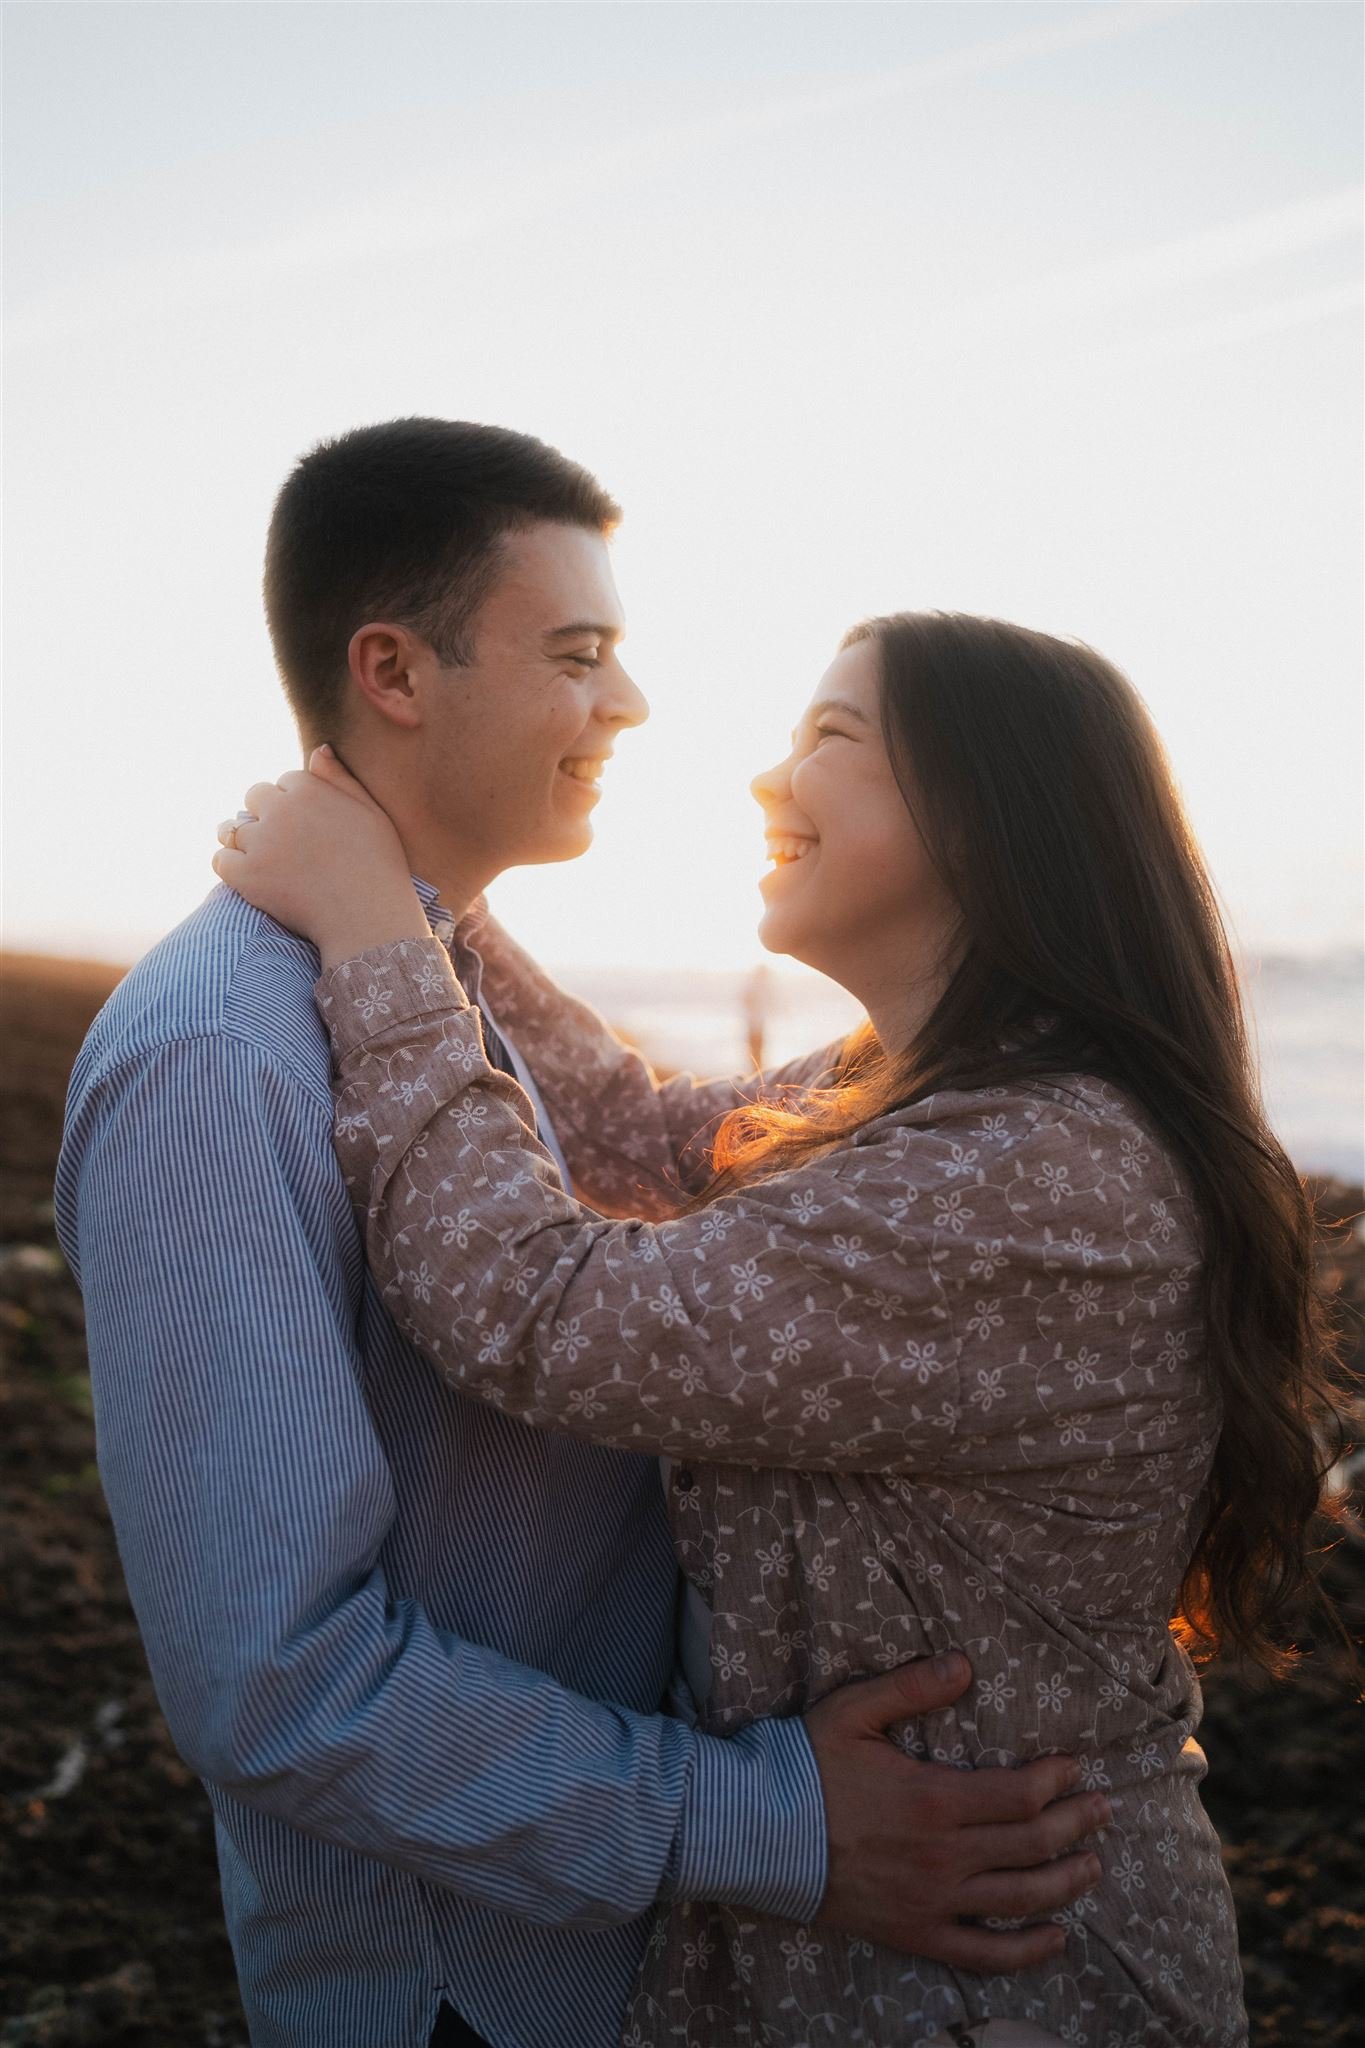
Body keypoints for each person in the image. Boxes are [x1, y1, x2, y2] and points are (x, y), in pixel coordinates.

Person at [56, 422, 1105, 2048]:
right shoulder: (217, 1060)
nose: (625, 703)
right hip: (470, 1988)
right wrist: (772, 1822)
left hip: (644, 1954)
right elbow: (275, 1688)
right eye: (577, 654)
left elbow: (685, 1142)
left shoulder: (439, 984)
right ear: (395, 672)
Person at [218, 609, 1339, 2046]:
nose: (765, 779)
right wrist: (422, 875)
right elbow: (630, 1131)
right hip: (851, 1929)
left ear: (986, 823)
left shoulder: (1040, 1169)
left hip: (1005, 1968)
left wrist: (375, 928)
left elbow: (537, 1312)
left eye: (830, 739)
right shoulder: (926, 1082)